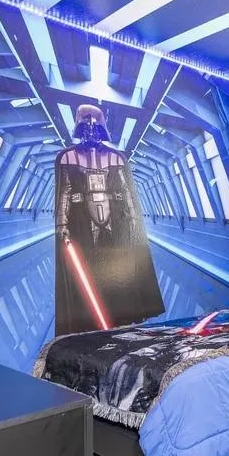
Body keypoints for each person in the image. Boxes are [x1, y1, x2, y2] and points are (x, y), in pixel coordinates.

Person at [54, 104, 164, 335]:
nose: (91, 130)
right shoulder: (67, 157)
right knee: (89, 268)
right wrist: (62, 223)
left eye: (95, 127)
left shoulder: (117, 158)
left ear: (102, 128)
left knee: (117, 268)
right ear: (79, 127)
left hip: (115, 219)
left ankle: (120, 314)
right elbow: (64, 191)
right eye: (86, 126)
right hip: (83, 223)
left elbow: (127, 192)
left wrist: (133, 220)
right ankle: (91, 318)